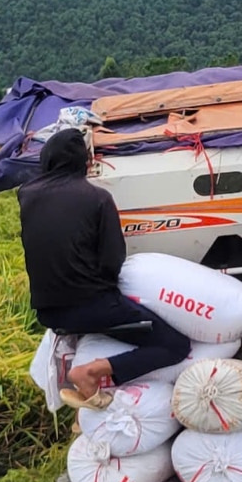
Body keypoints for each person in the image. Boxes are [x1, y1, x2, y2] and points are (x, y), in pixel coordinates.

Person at [20, 129, 190, 410]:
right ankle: (91, 371)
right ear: (84, 162)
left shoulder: (26, 195)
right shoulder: (97, 198)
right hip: (93, 305)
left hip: (47, 312)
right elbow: (113, 259)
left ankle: (82, 403)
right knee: (176, 345)